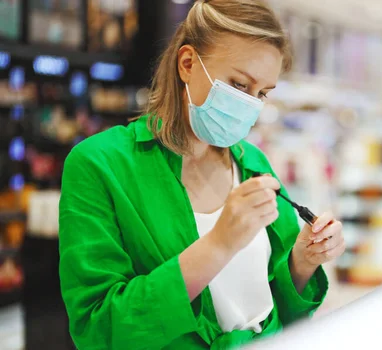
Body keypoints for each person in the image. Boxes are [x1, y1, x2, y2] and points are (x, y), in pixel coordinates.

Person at [58, 1, 345, 349]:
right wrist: (218, 245)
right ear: (188, 64)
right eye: (240, 85)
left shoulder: (253, 163)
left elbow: (279, 305)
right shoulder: (100, 165)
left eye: (262, 93)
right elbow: (98, 329)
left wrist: (302, 261)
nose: (251, 105)